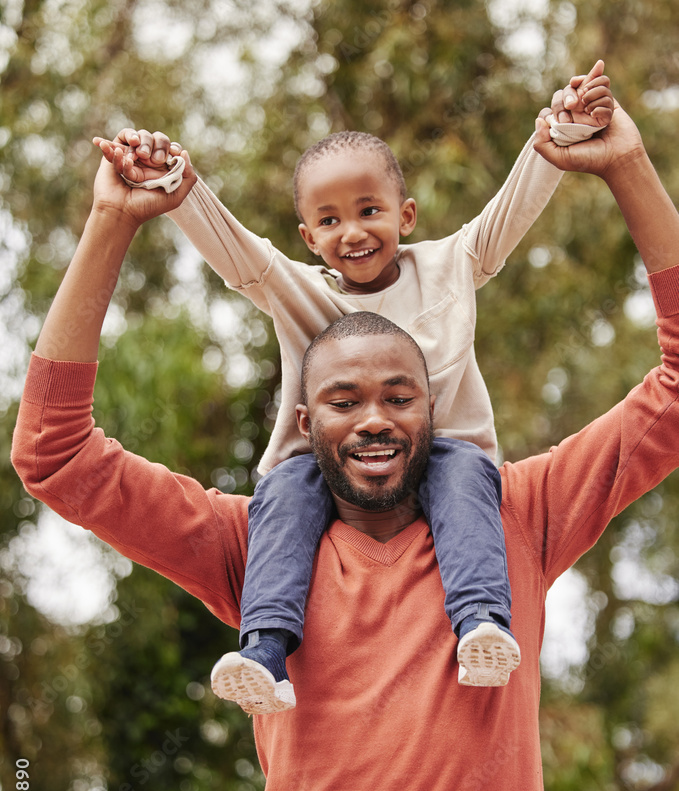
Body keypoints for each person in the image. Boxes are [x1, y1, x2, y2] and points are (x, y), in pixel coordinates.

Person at [12, 87, 679, 791]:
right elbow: (54, 453)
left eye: (399, 397)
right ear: (302, 418)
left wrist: (626, 166)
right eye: (342, 400)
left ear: (434, 410)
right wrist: (109, 223)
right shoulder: (252, 547)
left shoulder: (516, 518)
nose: (373, 419)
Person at [92, 64, 613, 713]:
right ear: (309, 236)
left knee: (467, 478)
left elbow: (508, 212)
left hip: (442, 454)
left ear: (406, 213)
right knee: (282, 491)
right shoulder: (301, 292)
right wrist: (178, 185)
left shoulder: (450, 264)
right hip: (326, 467)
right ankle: (264, 647)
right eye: (331, 221)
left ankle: (480, 622)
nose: (354, 232)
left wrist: (559, 135)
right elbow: (238, 253)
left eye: (369, 211)